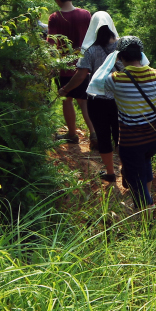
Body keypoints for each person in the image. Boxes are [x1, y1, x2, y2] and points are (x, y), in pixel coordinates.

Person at [102, 36, 156, 208]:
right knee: (145, 163)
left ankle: (146, 214)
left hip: (132, 142)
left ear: (119, 57)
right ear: (141, 55)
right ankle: (143, 204)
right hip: (154, 138)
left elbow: (99, 82)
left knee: (135, 181)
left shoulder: (115, 79)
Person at [57, 11, 120, 183]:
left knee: (103, 134)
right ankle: (127, 171)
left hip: (98, 100)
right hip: (121, 99)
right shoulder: (122, 47)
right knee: (120, 135)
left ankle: (110, 172)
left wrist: (65, 89)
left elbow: (80, 76)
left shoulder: (91, 50)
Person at [48, 0, 93, 144]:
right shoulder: (85, 14)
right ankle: (94, 134)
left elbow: (51, 44)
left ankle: (72, 134)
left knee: (66, 99)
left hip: (63, 67)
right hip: (83, 67)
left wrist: (50, 64)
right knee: (83, 101)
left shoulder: (55, 17)